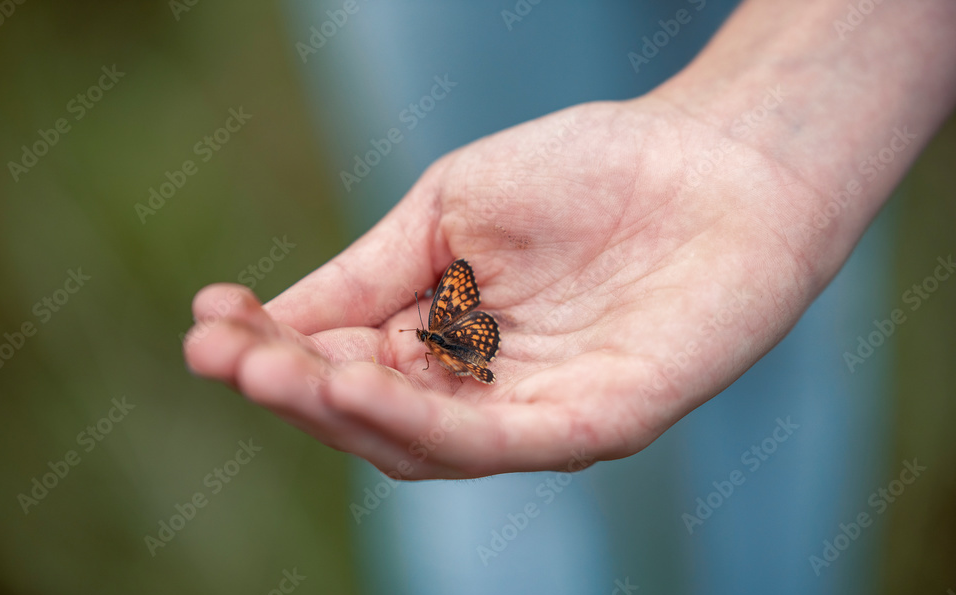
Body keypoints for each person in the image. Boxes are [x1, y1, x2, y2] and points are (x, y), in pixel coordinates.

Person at [183, 0, 956, 480]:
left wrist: (773, 154)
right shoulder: (453, 330)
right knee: (477, 463)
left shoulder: (446, 329)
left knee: (769, 368)